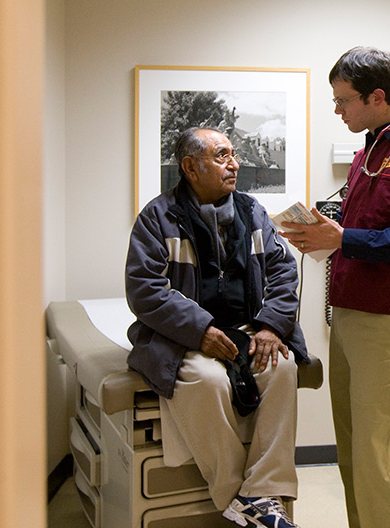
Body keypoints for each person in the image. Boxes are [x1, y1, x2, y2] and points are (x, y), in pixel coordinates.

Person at [281, 46, 390, 528]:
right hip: (350, 315)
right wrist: (323, 234)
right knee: (353, 449)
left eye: (343, 101)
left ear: (376, 96)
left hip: (387, 321)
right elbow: (363, 231)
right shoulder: (369, 152)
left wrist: (345, 237)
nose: (337, 110)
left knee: (376, 458)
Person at [125, 127, 308, 528]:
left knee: (283, 368)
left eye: (233, 155)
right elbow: (145, 290)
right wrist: (201, 330)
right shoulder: (158, 217)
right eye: (222, 155)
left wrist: (272, 327)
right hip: (181, 337)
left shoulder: (252, 211)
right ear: (191, 167)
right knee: (206, 380)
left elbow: (283, 272)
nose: (235, 164)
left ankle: (261, 491)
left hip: (247, 328)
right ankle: (235, 496)